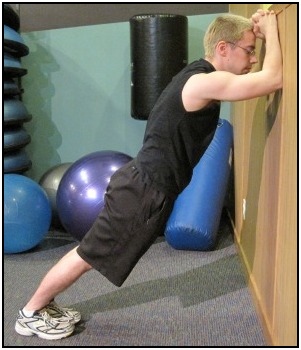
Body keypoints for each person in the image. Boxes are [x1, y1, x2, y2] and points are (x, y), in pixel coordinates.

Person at [15, 9, 282, 340]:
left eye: (256, 51)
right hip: (143, 190)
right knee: (88, 255)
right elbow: (273, 79)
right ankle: (30, 313)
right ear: (223, 48)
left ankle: (43, 305)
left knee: (91, 254)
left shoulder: (200, 77)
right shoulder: (203, 80)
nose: (253, 59)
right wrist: (271, 28)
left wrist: (264, 37)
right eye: (249, 49)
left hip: (148, 187)